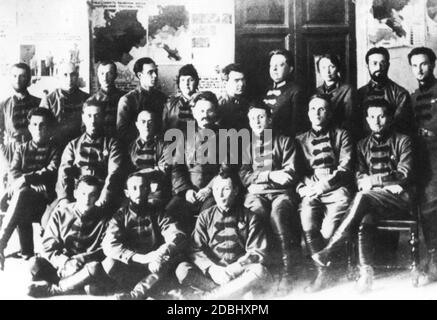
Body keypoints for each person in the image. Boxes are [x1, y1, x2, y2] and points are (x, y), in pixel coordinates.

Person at [311, 99, 414, 293]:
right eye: (372, 117)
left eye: (381, 116)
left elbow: (404, 173)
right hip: (375, 199)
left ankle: (332, 249)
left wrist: (376, 182)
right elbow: (359, 177)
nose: (376, 121)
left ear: (390, 118)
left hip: (400, 199)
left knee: (363, 198)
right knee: (363, 215)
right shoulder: (361, 145)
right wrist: (378, 185)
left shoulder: (403, 140)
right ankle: (366, 273)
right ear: (366, 120)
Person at [175, 165, 270, 299]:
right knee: (183, 270)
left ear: (236, 191)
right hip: (215, 273)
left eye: (226, 189)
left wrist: (234, 268)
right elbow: (195, 249)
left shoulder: (249, 216)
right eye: (217, 189)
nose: (220, 194)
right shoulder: (205, 216)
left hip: (239, 271)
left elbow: (257, 252)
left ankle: (214, 296)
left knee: (259, 271)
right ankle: (231, 292)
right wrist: (212, 269)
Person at [239, 102, 301, 293]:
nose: (256, 121)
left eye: (261, 117)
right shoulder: (246, 145)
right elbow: (243, 175)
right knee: (254, 213)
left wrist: (260, 180)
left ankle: (287, 271)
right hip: (256, 194)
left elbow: (289, 174)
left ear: (270, 119)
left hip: (281, 194)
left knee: (278, 214)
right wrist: (271, 175)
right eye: (252, 118)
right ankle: (258, 269)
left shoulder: (285, 141)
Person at [296, 94, 353, 292]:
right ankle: (323, 274)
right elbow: (298, 172)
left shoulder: (341, 135)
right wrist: (303, 187)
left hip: (336, 188)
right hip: (311, 187)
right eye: (313, 109)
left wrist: (324, 185)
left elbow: (345, 167)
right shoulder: (300, 139)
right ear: (308, 113)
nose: (317, 113)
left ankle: (325, 264)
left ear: (329, 113)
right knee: (306, 216)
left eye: (322, 109)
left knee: (328, 231)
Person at [101, 172, 186, 300]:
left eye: (143, 187)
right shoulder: (120, 215)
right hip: (133, 264)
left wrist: (161, 252)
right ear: (127, 193)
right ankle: (148, 290)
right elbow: (109, 244)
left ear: (149, 190)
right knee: (108, 262)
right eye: (134, 188)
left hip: (155, 264)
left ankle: (135, 295)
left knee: (167, 260)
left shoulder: (158, 211)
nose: (139, 192)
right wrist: (140, 258)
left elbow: (176, 233)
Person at [27, 175, 109, 297]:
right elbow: (48, 246)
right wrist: (64, 262)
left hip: (84, 266)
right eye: (83, 194)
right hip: (61, 266)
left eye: (92, 195)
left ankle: (57, 289)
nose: (87, 199)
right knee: (34, 262)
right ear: (75, 193)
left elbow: (105, 249)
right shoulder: (60, 213)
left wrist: (79, 260)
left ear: (97, 197)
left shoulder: (104, 218)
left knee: (95, 267)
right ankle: (74, 284)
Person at [0, 108, 60, 269]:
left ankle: (2, 243)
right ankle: (26, 253)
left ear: (49, 127)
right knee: (23, 195)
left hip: (46, 200)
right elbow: (14, 173)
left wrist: (26, 179)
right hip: (26, 197)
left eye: (43, 125)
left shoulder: (55, 149)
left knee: (22, 194)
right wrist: (31, 184)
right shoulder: (21, 148)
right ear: (29, 127)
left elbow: (51, 171)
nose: (38, 129)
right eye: (34, 124)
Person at [166, 91, 220, 233]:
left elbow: (227, 168)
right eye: (201, 110)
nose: (205, 115)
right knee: (170, 213)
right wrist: (186, 190)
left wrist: (209, 189)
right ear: (194, 112)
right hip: (188, 191)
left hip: (213, 191)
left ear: (215, 112)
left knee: (209, 215)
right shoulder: (183, 135)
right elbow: (177, 167)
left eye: (209, 110)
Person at [55, 99, 123, 212]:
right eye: (89, 116)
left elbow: (114, 173)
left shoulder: (112, 144)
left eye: (97, 116)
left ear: (103, 118)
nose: (93, 121)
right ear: (83, 117)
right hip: (77, 194)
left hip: (100, 193)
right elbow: (63, 172)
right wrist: (64, 198)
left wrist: (104, 197)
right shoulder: (73, 145)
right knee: (48, 218)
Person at [408, 46, 437, 285]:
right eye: (414, 65)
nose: (419, 69)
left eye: (424, 64)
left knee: (430, 207)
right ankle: (426, 259)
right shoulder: (412, 97)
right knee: (420, 209)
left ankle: (434, 261)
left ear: (433, 64)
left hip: (435, 160)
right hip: (417, 160)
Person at [357, 47, 414, 138]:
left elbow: (401, 126)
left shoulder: (400, 94)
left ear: (388, 65)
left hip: (392, 145)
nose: (378, 67)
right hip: (365, 147)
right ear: (367, 66)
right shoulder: (359, 94)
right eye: (374, 63)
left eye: (382, 63)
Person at [117, 57, 167, 145]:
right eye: (150, 72)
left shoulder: (162, 98)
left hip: (159, 147)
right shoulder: (128, 100)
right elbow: (122, 132)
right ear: (140, 75)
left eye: (156, 72)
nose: (155, 75)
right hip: (136, 150)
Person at [128, 109, 170, 209]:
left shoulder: (164, 145)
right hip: (134, 188)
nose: (146, 125)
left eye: (150, 122)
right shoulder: (130, 147)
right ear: (137, 125)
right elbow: (127, 170)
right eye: (143, 122)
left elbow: (163, 169)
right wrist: (153, 169)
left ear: (155, 124)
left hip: (156, 188)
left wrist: (137, 174)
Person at [40, 62, 89, 147]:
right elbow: (42, 126)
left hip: (81, 145)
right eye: (65, 75)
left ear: (77, 76)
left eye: (72, 74)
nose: (69, 79)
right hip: (56, 145)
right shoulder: (49, 100)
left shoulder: (86, 98)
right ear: (58, 76)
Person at [0, 63, 41, 165]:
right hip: (11, 153)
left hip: (35, 151)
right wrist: (4, 151)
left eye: (22, 76)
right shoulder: (4, 105)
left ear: (28, 79)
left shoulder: (38, 103)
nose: (17, 80)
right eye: (14, 76)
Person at [263, 49, 307, 136]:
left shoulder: (296, 91)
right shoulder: (264, 90)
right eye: (272, 65)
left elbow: (297, 126)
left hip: (283, 143)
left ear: (290, 69)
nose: (274, 69)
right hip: (264, 140)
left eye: (280, 65)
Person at [315, 54, 359, 140]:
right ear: (319, 71)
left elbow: (350, 120)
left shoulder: (347, 90)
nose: (327, 71)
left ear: (338, 68)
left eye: (332, 67)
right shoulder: (316, 92)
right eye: (323, 68)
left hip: (340, 136)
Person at [88, 60, 125, 138]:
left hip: (121, 141)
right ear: (98, 75)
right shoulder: (91, 101)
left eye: (109, 73)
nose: (105, 77)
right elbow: (86, 129)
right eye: (102, 73)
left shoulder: (125, 98)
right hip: (99, 143)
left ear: (115, 75)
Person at [162, 64, 199, 131]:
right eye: (183, 80)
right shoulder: (170, 105)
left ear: (196, 82)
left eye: (190, 80)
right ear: (178, 83)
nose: (186, 83)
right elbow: (164, 129)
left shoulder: (203, 103)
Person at [217, 63, 250, 130]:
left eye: (243, 80)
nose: (241, 84)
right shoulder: (220, 104)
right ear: (225, 83)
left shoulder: (247, 102)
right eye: (236, 80)